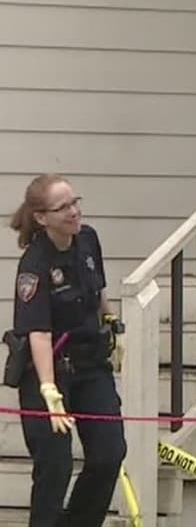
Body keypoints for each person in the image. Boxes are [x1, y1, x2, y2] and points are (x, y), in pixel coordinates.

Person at [6, 174, 126, 527]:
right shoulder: (34, 264)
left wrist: (112, 322)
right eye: (63, 207)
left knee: (109, 453)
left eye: (75, 202)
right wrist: (49, 390)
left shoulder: (87, 239)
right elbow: (39, 334)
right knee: (55, 468)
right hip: (47, 371)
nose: (74, 211)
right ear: (42, 218)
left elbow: (97, 288)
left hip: (91, 366)